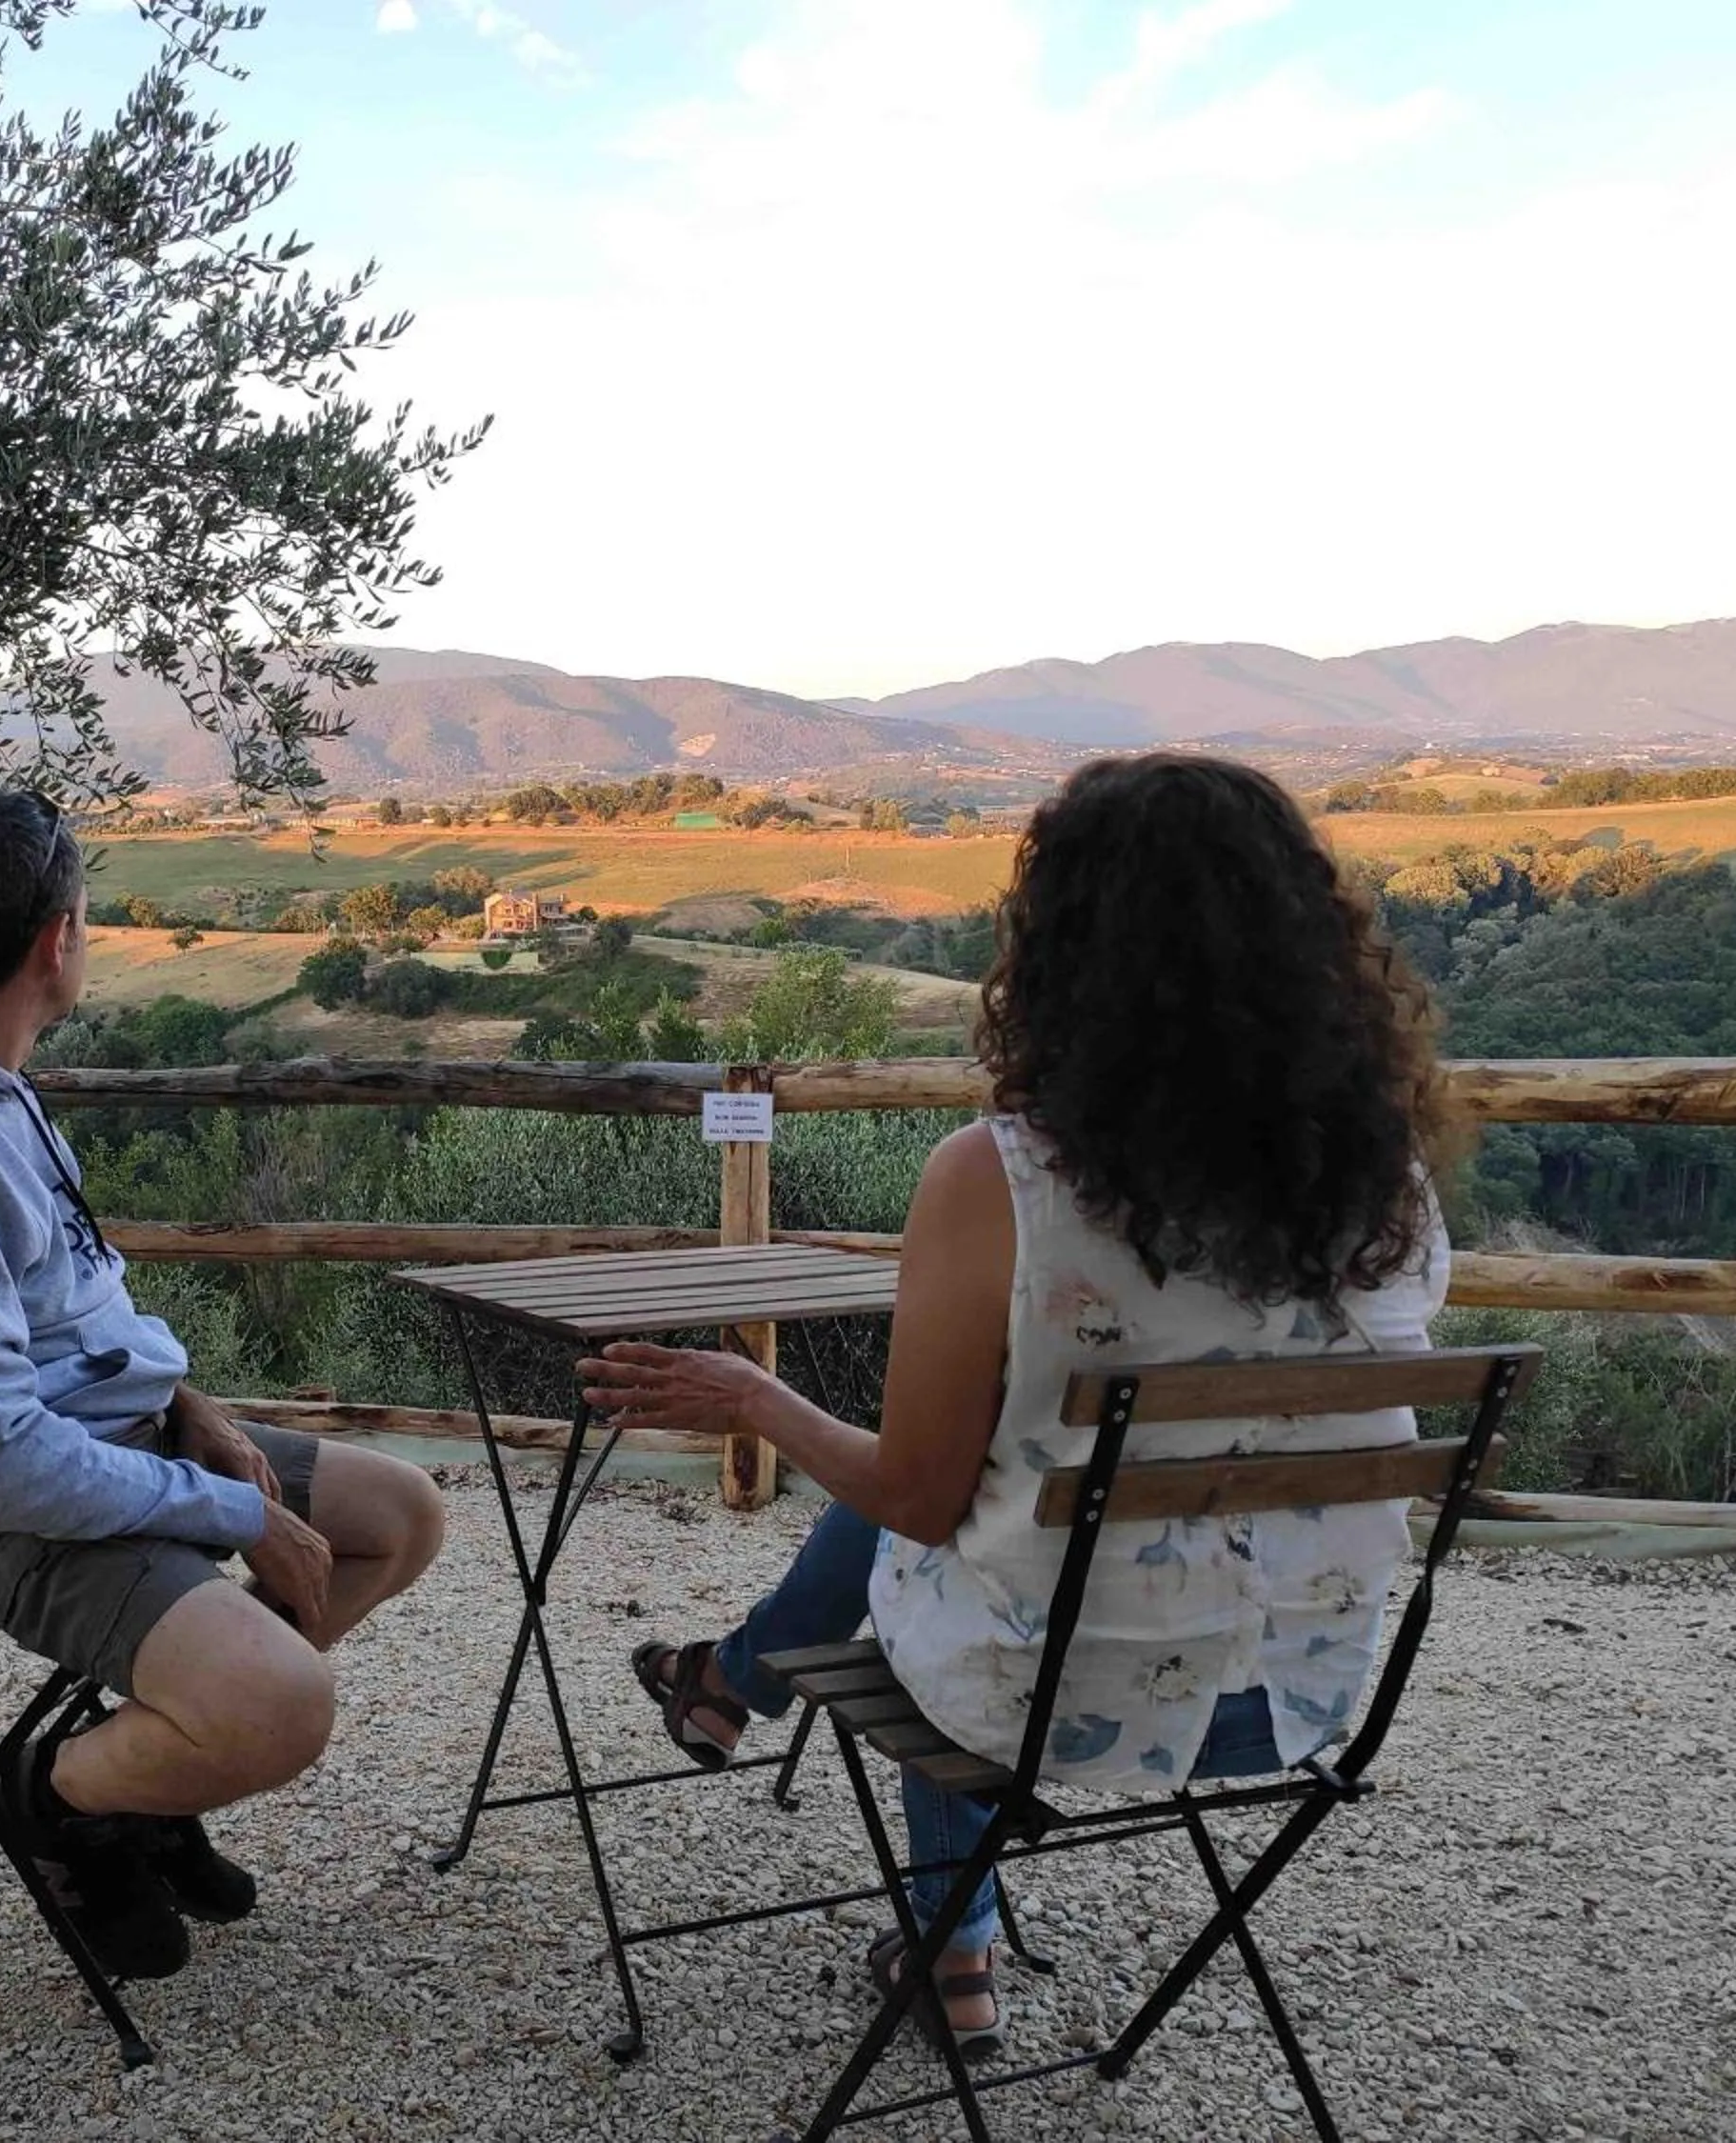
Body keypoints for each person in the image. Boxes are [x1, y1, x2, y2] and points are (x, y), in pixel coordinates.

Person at [579, 753, 1454, 2059]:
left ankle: (949, 1934)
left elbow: (917, 1497)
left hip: (1055, 1694)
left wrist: (754, 1393)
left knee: (922, 1532)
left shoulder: (1005, 1179)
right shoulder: (1384, 1181)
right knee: (967, 1518)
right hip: (1291, 1694)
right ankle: (725, 1686)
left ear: (1060, 949)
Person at [0, 788, 445, 1982]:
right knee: (286, 1708)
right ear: (57, 941)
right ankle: (56, 1802)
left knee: (399, 1519)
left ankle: (154, 1773)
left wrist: (199, 1415)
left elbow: (85, 1304)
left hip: (114, 1441)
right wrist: (243, 1515)